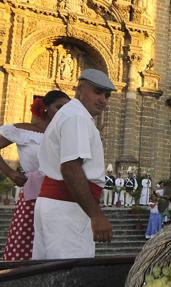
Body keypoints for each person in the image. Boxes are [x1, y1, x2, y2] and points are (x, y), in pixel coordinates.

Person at [32, 69, 116, 259]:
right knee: (69, 273)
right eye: (97, 92)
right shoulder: (77, 117)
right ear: (79, 90)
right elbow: (71, 168)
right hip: (67, 209)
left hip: (59, 207)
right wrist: (96, 215)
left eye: (107, 95)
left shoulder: (72, 115)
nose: (103, 99)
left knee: (48, 273)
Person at [0, 91, 70, 261]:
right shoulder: (24, 130)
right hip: (33, 194)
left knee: (55, 245)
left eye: (66, 109)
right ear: (45, 108)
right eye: (58, 107)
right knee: (25, 241)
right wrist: (10, 172)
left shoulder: (66, 135)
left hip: (61, 196)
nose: (63, 112)